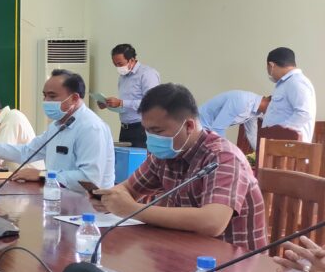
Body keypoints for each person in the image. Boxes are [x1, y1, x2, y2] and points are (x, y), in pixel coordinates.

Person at [93, 83, 268, 251]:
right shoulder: (166, 153)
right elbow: (129, 189)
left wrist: (131, 209)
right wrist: (110, 199)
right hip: (183, 250)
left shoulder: (223, 156)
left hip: (233, 261)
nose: (151, 139)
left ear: (189, 126)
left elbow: (213, 222)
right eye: (147, 131)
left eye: (158, 131)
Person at [0, 69, 115, 193]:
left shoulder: (91, 127)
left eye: (52, 96)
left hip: (91, 207)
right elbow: (26, 152)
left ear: (74, 98)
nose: (46, 101)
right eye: (44, 96)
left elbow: (89, 178)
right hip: (58, 199)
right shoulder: (56, 126)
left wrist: (42, 175)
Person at [99, 43, 161, 148]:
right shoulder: (122, 77)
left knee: (140, 158)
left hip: (142, 129)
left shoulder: (147, 74)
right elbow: (125, 106)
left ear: (132, 60)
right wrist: (108, 104)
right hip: (125, 128)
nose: (118, 67)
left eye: (120, 64)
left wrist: (121, 102)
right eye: (115, 65)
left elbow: (152, 103)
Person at [263, 47, 316, 142]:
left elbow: (304, 113)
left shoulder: (296, 81)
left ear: (271, 65)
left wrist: (277, 132)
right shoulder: (286, 83)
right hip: (279, 144)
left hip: (289, 146)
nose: (270, 75)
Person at [198, 90, 270, 149]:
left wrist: (260, 153)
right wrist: (227, 149)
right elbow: (218, 129)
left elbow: (252, 134)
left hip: (209, 130)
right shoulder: (243, 101)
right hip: (199, 126)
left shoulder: (256, 112)